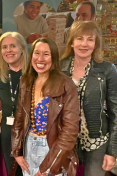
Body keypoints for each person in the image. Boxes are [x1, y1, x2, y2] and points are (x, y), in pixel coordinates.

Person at [12, 38, 79, 176]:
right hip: (29, 146)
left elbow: (70, 131)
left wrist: (47, 167)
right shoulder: (26, 81)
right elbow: (19, 118)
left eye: (46, 54)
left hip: (53, 149)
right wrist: (17, 151)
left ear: (53, 58)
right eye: (37, 53)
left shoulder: (66, 84)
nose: (40, 59)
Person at [60, 21, 117, 176]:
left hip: (97, 141)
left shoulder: (107, 70)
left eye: (90, 39)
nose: (84, 44)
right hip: (66, 140)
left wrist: (112, 151)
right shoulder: (59, 68)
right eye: (79, 38)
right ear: (71, 42)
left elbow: (115, 113)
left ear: (95, 43)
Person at [0, 32, 28, 176]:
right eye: (4, 47)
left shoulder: (32, 72)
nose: (8, 50)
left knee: (29, 168)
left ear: (22, 49)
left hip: (30, 129)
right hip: (8, 129)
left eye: (13, 46)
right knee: (12, 169)